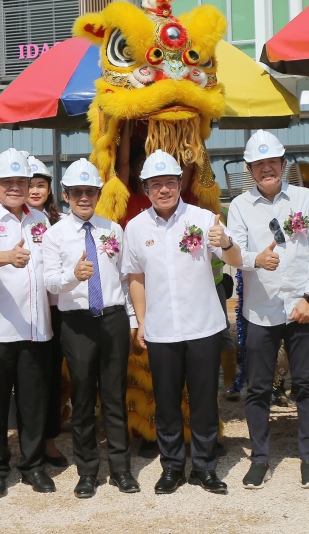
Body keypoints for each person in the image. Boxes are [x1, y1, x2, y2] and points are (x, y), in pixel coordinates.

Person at [122, 150, 243, 495]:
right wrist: (141, 321)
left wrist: (228, 242)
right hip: (160, 330)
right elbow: (136, 278)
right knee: (167, 401)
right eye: (156, 184)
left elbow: (235, 258)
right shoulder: (136, 226)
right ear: (146, 188)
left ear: (180, 184)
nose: (164, 190)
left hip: (203, 326)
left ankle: (204, 468)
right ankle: (172, 467)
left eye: (170, 183)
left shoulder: (205, 219)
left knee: (205, 401)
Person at [227, 130, 309, 489]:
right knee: (257, 387)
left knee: (305, 383)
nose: (266, 169)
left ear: (283, 165)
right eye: (259, 164)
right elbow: (233, 254)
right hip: (261, 311)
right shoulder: (240, 206)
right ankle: (259, 458)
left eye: (272, 162)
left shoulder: (304, 198)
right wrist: (258, 259)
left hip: (301, 309)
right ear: (250, 170)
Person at [41, 158, 140, 498]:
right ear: (66, 195)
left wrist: (130, 319)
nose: (84, 197)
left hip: (111, 318)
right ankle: (87, 473)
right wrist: (74, 276)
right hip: (77, 322)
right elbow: (51, 282)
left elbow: (125, 281)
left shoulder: (113, 229)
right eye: (77, 192)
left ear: (99, 194)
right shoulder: (54, 235)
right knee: (83, 398)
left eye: (91, 191)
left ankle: (121, 470)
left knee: (114, 395)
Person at [0, 148, 55, 498]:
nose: (16, 188)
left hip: (36, 328)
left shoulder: (40, 220)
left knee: (33, 402)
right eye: (8, 182)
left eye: (21, 181)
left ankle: (33, 465)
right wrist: (9, 257)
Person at [25, 154, 69, 469]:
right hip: (26, 310)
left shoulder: (62, 221)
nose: (35, 191)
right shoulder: (12, 221)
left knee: (53, 378)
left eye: (40, 184)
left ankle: (50, 439)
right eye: (29, 185)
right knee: (30, 380)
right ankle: (28, 439)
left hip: (57, 311)